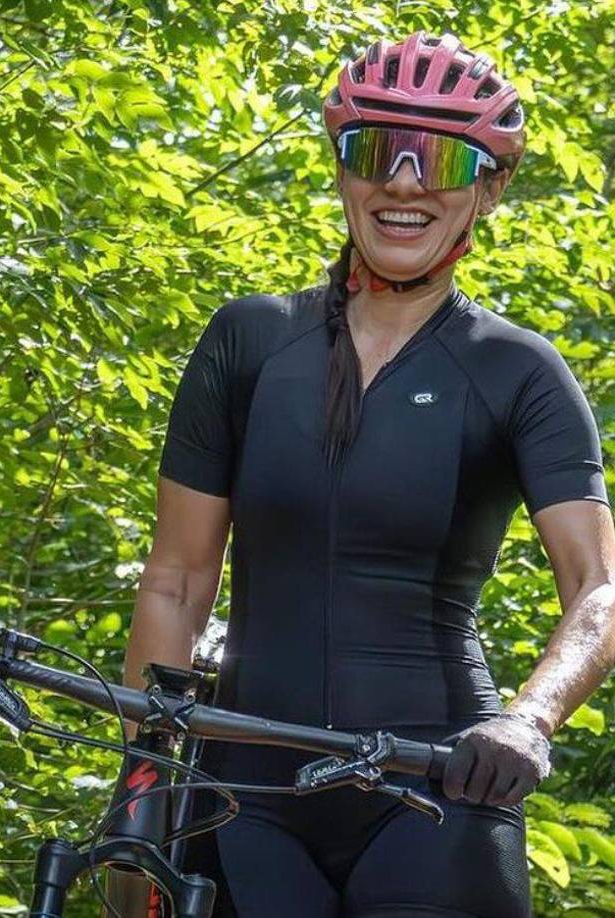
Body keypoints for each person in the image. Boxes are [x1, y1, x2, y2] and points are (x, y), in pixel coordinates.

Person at [115, 31, 615, 917]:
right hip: (243, 790)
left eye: (445, 158)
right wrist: (146, 773)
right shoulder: (250, 342)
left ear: (490, 189)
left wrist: (525, 722)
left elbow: (598, 591)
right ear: (343, 168)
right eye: (380, 151)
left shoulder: (517, 371)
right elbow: (177, 579)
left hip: (439, 787)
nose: (407, 183)